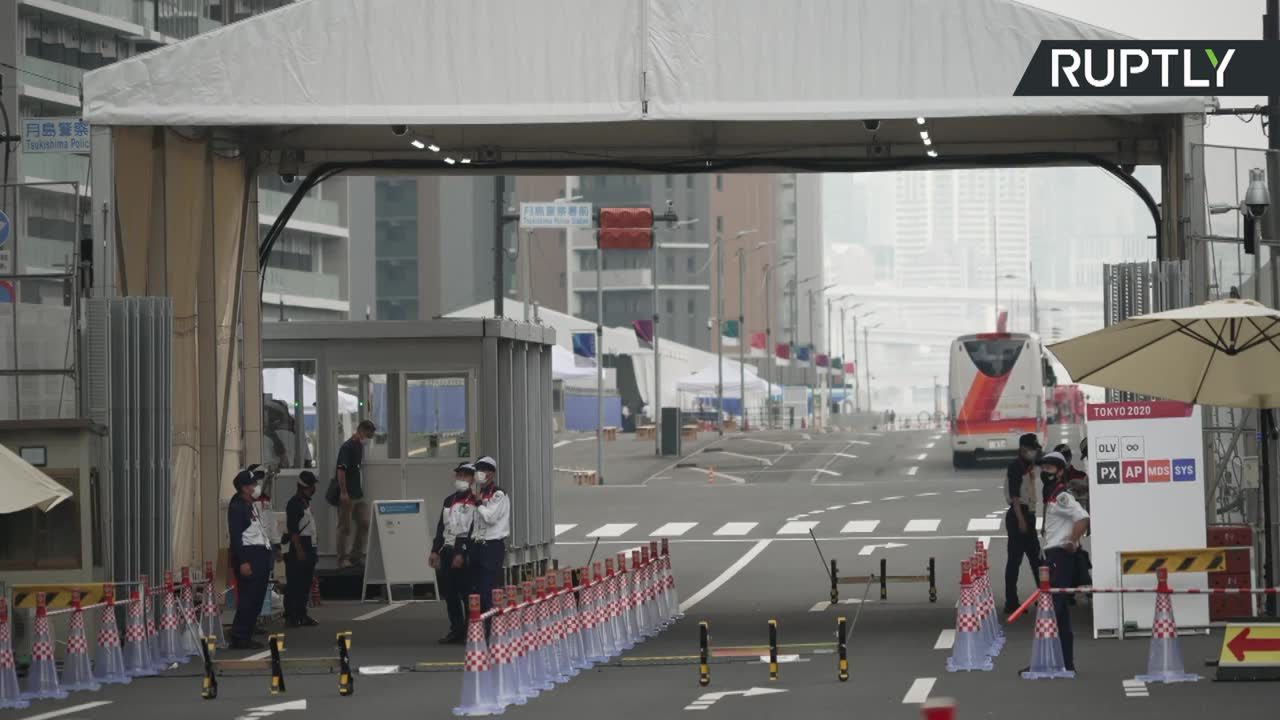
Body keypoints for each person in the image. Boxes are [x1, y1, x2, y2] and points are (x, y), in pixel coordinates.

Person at [1037, 451, 1090, 673]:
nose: (1045, 472)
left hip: (1060, 555)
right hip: (1052, 555)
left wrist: (1071, 540)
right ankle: (1064, 662)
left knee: (1055, 609)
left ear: (1060, 472)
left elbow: (1083, 517)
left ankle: (1055, 662)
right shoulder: (1051, 494)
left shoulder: (1061, 495)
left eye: (1050, 468)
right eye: (1044, 468)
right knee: (1058, 612)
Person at [430, 463, 476, 644]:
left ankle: (470, 631)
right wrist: (435, 550)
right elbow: (441, 527)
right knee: (450, 594)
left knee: (466, 594)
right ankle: (455, 629)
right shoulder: (448, 500)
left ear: (472, 479)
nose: (462, 479)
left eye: (466, 476)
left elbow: (472, 531)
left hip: (463, 551)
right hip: (446, 551)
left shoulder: (475, 501)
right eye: (460, 476)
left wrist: (461, 552)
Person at [227, 465, 271, 650]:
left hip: (259, 555)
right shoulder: (237, 507)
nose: (256, 487)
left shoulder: (249, 505)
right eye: (253, 484)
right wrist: (243, 561)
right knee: (248, 597)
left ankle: (247, 633)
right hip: (249, 556)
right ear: (245, 487)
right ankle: (239, 635)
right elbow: (236, 536)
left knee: (257, 598)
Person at [329, 420, 376, 569]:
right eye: (367, 435)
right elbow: (341, 470)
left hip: (357, 493)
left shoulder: (359, 446)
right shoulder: (347, 447)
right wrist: (343, 492)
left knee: (364, 523)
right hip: (347, 494)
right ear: (361, 431)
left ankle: (356, 556)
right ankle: (342, 558)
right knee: (344, 527)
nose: (367, 438)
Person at [1004, 432, 1042, 613]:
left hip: (1029, 516)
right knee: (1015, 561)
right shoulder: (1016, 467)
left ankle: (1043, 597)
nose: (1033, 453)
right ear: (1022, 449)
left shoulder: (1029, 465)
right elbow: (1015, 496)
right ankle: (1011, 602)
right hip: (1019, 517)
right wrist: (1020, 520)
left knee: (1036, 560)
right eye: (1031, 450)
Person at [468, 456, 509, 613]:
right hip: (477, 545)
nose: (480, 473)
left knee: (487, 590)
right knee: (475, 589)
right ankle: (478, 629)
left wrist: (478, 504)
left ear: (492, 473)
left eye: (483, 470)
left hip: (492, 546)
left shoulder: (498, 494)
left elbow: (490, 518)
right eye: (478, 470)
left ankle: (491, 627)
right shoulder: (480, 493)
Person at [284, 471, 320, 628]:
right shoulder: (294, 503)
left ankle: (301, 614)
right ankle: (291, 616)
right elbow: (293, 530)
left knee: (305, 582)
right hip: (299, 546)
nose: (313, 489)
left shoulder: (305, 502)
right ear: (303, 486)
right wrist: (299, 550)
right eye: (310, 486)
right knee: (295, 582)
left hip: (309, 545)